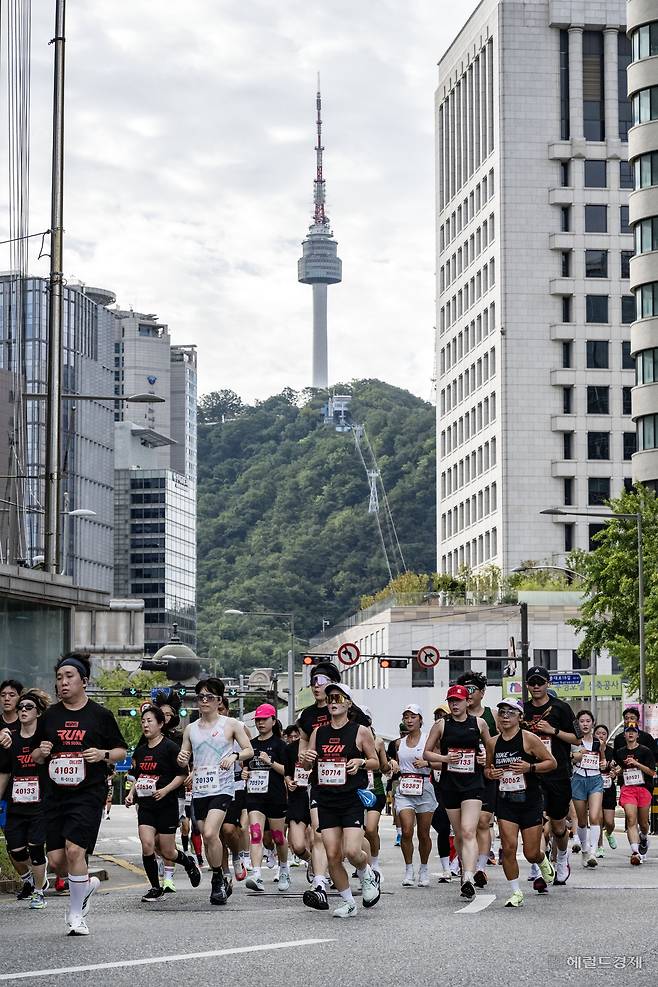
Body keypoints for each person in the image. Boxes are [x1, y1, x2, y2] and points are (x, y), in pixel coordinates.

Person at [31, 653, 127, 936]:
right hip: (55, 795)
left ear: (84, 681)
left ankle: (76, 915)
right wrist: (42, 752)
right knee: (59, 861)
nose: (63, 683)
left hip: (87, 793)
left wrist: (103, 754)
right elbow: (36, 755)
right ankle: (85, 886)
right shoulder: (49, 717)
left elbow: (121, 751)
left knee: (75, 851)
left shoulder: (100, 715)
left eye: (69, 677)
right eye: (59, 678)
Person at [301, 682, 380, 917]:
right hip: (325, 798)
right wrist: (307, 758)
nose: (333, 702)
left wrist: (361, 762)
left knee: (353, 850)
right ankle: (348, 902)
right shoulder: (319, 732)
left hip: (350, 799)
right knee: (333, 853)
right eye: (330, 699)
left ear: (348, 702)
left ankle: (367, 874)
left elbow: (375, 761)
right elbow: (307, 766)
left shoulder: (360, 731)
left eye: (338, 698)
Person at [177, 677, 253, 906]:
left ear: (219, 700)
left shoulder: (231, 724)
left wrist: (234, 756)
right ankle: (220, 875)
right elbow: (184, 757)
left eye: (209, 697)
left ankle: (218, 879)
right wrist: (182, 760)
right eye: (200, 697)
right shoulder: (190, 729)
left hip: (223, 788)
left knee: (210, 833)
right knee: (209, 838)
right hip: (200, 790)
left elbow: (249, 749)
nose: (204, 701)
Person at [486, 697, 557, 907]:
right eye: (502, 712)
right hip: (506, 800)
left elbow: (551, 763)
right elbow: (487, 769)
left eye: (511, 712)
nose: (505, 716)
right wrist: (491, 773)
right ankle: (516, 892)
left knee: (531, 852)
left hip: (530, 800)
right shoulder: (492, 742)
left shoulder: (529, 739)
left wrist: (530, 768)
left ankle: (543, 860)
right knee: (508, 847)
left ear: (520, 717)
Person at [126, 705, 200, 901]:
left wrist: (165, 790)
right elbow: (139, 776)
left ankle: (188, 862)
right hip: (146, 805)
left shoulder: (170, 747)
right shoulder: (140, 751)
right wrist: (131, 794)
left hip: (167, 804)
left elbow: (182, 774)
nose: (145, 724)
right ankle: (155, 888)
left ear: (160, 724)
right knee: (147, 843)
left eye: (150, 721)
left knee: (167, 850)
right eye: (143, 721)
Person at [423, 684, 491, 899]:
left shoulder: (479, 723)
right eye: (451, 700)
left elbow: (490, 750)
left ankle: (469, 877)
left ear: (467, 702)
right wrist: (444, 759)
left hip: (473, 783)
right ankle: (464, 870)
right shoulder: (441, 725)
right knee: (460, 833)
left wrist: (484, 760)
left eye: (458, 700)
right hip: (450, 785)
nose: (454, 704)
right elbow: (426, 753)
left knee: (469, 830)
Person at [522, 666, 580, 889]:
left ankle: (563, 858)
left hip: (558, 774)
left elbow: (577, 739)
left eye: (540, 682)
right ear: (527, 685)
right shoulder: (522, 710)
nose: (536, 686)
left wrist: (553, 731)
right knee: (535, 821)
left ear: (547, 683)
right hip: (531, 773)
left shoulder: (562, 708)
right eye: (532, 682)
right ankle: (539, 865)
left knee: (557, 826)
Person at [0, 689, 51, 908]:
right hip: (16, 804)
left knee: (36, 847)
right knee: (15, 849)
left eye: (28, 707)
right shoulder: (10, 741)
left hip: (39, 804)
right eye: (21, 707)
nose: (23, 710)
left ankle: (39, 891)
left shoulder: (45, 739)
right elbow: (5, 772)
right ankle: (30, 879)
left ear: (38, 712)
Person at [243, 703, 291, 893]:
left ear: (273, 720)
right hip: (255, 796)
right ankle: (256, 873)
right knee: (255, 833)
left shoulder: (281, 745)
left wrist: (269, 762)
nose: (261, 723)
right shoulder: (251, 745)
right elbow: (246, 766)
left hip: (276, 796)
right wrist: (245, 773)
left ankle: (284, 869)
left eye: (264, 719)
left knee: (278, 838)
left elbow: (288, 771)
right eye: (258, 720)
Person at [457, 672, 498, 885]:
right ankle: (465, 864)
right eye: (464, 690)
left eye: (472, 689)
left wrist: (488, 755)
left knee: (483, 821)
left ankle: (480, 867)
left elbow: (503, 741)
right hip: (460, 778)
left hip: (487, 775)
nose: (468, 694)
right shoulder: (452, 717)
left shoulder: (494, 715)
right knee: (464, 828)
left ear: (482, 693)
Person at [389, 703, 437, 888]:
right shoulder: (398, 743)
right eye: (406, 717)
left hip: (424, 786)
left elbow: (443, 762)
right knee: (407, 831)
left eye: (413, 717)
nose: (409, 720)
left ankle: (423, 869)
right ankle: (409, 869)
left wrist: (427, 763)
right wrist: (393, 765)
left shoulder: (428, 740)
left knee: (423, 833)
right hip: (405, 788)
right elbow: (392, 763)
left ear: (420, 720)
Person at [612, 723, 656, 865]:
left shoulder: (645, 751)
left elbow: (652, 772)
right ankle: (635, 852)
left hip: (643, 788)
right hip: (628, 788)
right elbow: (619, 769)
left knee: (643, 823)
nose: (630, 734)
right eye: (628, 731)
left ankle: (643, 837)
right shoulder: (620, 753)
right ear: (624, 735)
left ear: (638, 735)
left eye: (633, 731)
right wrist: (615, 772)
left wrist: (637, 764)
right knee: (631, 819)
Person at [570, 710, 604, 868]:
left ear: (593, 723)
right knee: (582, 821)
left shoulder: (598, 742)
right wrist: (575, 756)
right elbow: (566, 758)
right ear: (578, 723)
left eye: (588, 721)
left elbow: (603, 761)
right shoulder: (573, 741)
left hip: (595, 779)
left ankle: (593, 852)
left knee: (595, 816)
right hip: (578, 779)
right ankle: (584, 850)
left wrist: (603, 764)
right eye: (582, 721)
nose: (585, 724)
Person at [430, 704, 453, 882]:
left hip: (453, 786)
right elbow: (422, 756)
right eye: (437, 716)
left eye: (443, 715)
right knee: (442, 827)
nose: (439, 719)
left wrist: (429, 763)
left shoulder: (453, 739)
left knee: (461, 829)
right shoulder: (430, 740)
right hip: (435, 789)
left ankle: (456, 865)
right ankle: (446, 868)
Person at [594, 724, 618, 856]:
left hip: (609, 787)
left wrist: (615, 772)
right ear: (594, 735)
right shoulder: (590, 750)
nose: (601, 736)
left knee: (609, 822)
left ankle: (608, 832)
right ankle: (599, 846)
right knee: (598, 818)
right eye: (598, 733)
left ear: (607, 736)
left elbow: (617, 767)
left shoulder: (612, 751)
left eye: (603, 733)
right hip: (595, 787)